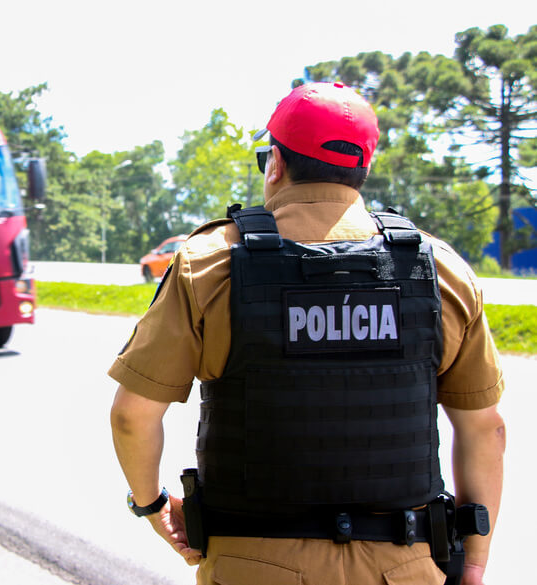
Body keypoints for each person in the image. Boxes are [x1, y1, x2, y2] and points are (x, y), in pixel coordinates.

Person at [109, 81, 505, 585]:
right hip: (404, 566)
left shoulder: (208, 264)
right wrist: (472, 563)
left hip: (249, 566)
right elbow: (485, 429)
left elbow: (131, 416)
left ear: (275, 163)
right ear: (362, 168)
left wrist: (152, 504)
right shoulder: (440, 269)